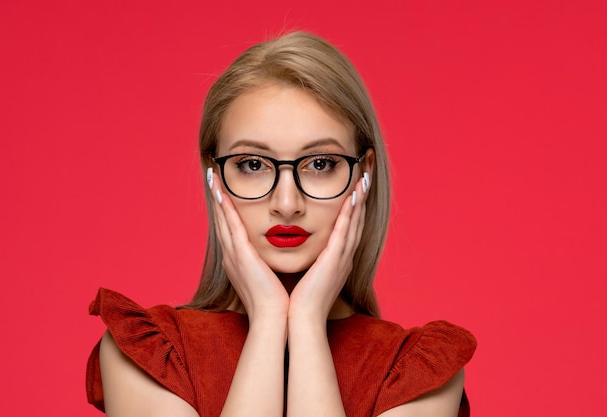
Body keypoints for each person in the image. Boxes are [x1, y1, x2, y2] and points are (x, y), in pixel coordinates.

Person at [86, 31, 476, 417]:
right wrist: (270, 317)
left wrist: (305, 321)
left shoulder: (415, 372)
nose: (287, 204)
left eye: (320, 164)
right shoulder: (147, 353)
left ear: (364, 175)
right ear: (214, 176)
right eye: (252, 165)